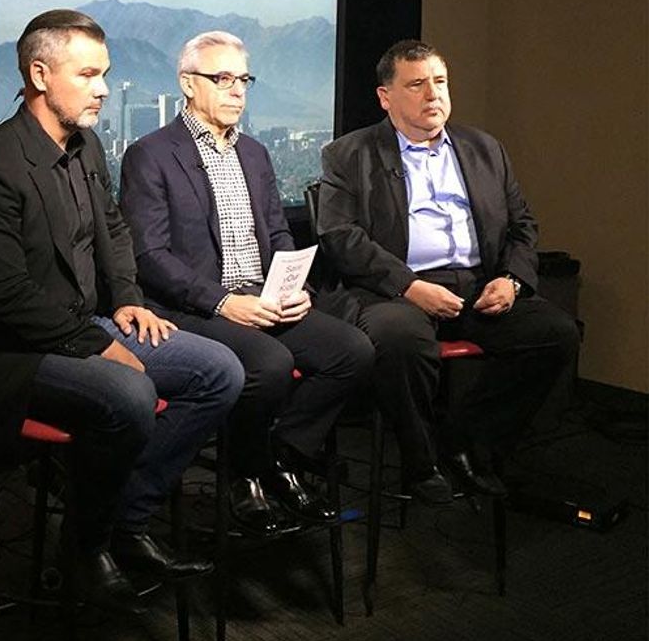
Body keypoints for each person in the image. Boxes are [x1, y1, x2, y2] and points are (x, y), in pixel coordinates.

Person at [0, 9, 243, 613]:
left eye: (104, 74)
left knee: (221, 371)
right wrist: (98, 346)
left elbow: (111, 229)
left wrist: (130, 301)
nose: (104, 88)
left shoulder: (84, 146)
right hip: (17, 353)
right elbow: (4, 297)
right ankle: (85, 547)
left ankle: (125, 523)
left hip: (87, 327)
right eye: (87, 74)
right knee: (129, 397)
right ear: (38, 73)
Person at [120, 31, 373, 536]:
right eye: (222, 79)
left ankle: (282, 455)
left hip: (262, 298)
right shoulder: (151, 154)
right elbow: (150, 256)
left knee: (354, 350)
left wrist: (292, 285)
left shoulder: (255, 153)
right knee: (269, 364)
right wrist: (222, 303)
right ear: (188, 84)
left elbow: (278, 231)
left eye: (243, 79)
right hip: (193, 307)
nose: (237, 90)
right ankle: (245, 474)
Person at [315, 38, 579, 504]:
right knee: (399, 339)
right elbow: (340, 236)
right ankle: (421, 464)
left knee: (556, 333)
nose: (433, 94)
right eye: (416, 85)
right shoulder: (348, 154)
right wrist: (408, 285)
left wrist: (512, 280)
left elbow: (523, 225)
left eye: (439, 82)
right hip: (394, 290)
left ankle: (466, 439)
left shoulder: (485, 149)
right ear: (385, 97)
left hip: (479, 286)